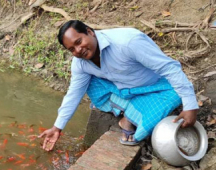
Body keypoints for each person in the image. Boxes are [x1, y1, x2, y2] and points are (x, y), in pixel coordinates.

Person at [39, 20, 198, 151]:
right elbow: (74, 94)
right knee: (86, 83)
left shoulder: (128, 41)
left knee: (175, 95)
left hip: (154, 87)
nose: (78, 50)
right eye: (72, 49)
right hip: (120, 88)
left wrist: (190, 106)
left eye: (79, 42)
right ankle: (130, 109)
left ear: (90, 32)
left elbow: (169, 68)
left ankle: (129, 115)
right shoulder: (80, 63)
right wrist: (57, 127)